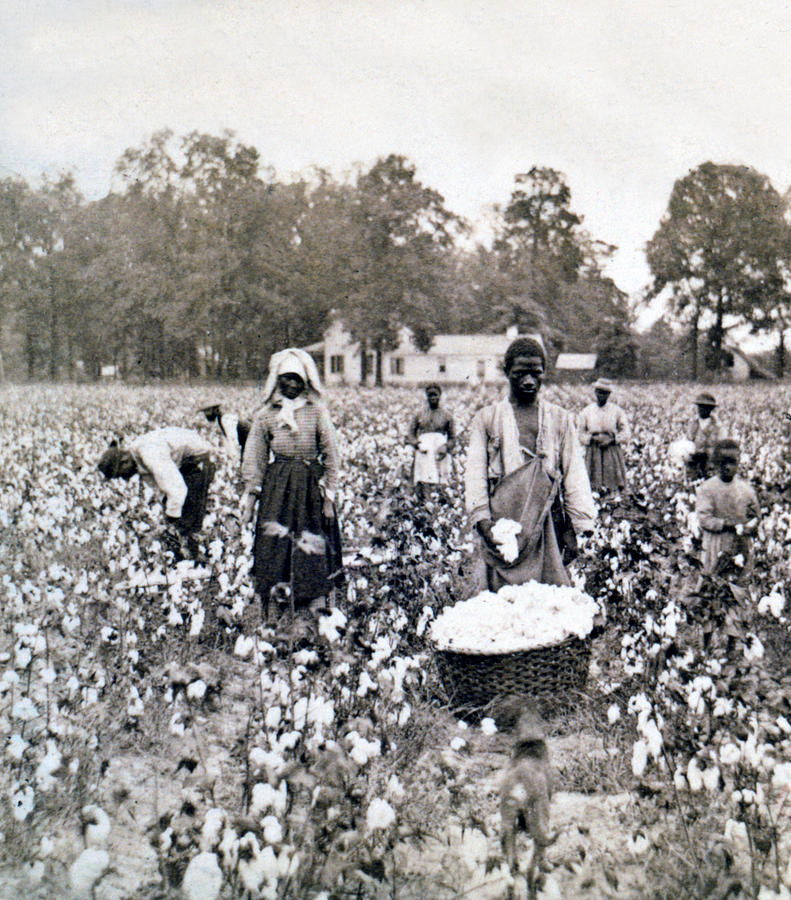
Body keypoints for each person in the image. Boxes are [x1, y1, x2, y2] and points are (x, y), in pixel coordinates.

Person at [465, 336, 596, 590]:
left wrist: (576, 526)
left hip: (548, 523)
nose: (528, 381)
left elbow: (574, 474)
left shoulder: (559, 419)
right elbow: (475, 477)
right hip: (503, 527)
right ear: (506, 372)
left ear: (544, 373)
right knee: (503, 604)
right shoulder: (487, 419)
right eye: (520, 374)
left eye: (536, 374)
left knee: (547, 602)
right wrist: (484, 525)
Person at [240, 348, 343, 614]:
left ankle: (313, 601)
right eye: (287, 378)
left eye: (298, 379)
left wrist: (329, 497)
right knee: (274, 540)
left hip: (309, 485)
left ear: (305, 382)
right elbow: (255, 456)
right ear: (278, 380)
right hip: (277, 485)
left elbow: (331, 453)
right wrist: (252, 496)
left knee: (312, 539)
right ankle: (275, 603)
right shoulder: (265, 415)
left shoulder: (316, 412)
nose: (293, 385)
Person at [97, 427, 216, 558]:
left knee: (187, 521)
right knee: (177, 519)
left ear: (124, 461)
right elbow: (162, 489)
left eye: (121, 475)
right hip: (184, 464)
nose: (125, 479)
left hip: (197, 462)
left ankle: (192, 561)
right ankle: (183, 555)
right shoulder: (138, 458)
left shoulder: (150, 454)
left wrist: (171, 521)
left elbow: (177, 489)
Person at [695, 438, 760, 581]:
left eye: (732, 462)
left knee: (739, 581)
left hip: (740, 542)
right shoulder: (707, 488)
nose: (727, 467)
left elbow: (755, 515)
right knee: (713, 581)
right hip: (715, 542)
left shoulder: (746, 490)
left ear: (738, 463)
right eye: (723, 462)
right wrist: (728, 525)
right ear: (716, 463)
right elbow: (704, 519)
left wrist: (750, 526)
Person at [578, 378, 630, 494]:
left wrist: (612, 440)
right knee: (592, 482)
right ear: (595, 392)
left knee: (612, 482)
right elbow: (579, 433)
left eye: (605, 393)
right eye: (599, 392)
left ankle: (611, 500)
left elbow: (626, 432)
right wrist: (592, 438)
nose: (602, 395)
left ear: (609, 394)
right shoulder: (587, 411)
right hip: (593, 449)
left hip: (611, 449)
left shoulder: (617, 411)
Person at [405, 383, 456, 500]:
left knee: (441, 477)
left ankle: (441, 503)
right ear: (426, 397)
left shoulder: (447, 415)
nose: (433, 398)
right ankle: (425, 501)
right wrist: (417, 444)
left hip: (440, 451)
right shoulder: (419, 414)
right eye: (430, 395)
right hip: (424, 450)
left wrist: (446, 447)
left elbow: (453, 438)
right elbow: (411, 433)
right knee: (423, 477)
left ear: (440, 396)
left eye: (435, 395)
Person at [688, 392, 724, 479]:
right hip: (694, 466)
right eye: (699, 406)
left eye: (705, 407)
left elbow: (721, 448)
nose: (701, 409)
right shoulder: (693, 424)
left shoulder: (718, 427)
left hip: (710, 467)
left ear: (711, 409)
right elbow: (688, 443)